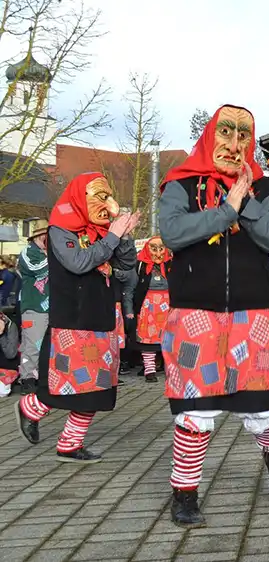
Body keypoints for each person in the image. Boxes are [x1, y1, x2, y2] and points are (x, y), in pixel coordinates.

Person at [157, 104, 269, 527]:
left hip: (253, 317)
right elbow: (172, 233)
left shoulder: (264, 188)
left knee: (260, 410)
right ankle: (185, 492)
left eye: (243, 135)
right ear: (209, 135)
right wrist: (224, 211)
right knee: (195, 412)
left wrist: (245, 202)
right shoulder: (180, 183)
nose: (234, 144)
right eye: (226, 132)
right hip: (195, 314)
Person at [14, 173, 138, 462]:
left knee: (97, 389)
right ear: (80, 197)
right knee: (66, 382)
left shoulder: (103, 231)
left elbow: (127, 264)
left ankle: (70, 444)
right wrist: (113, 236)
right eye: (101, 196)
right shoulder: (61, 229)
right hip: (73, 319)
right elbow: (78, 263)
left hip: (102, 316)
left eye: (109, 196)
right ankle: (31, 408)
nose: (108, 203)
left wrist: (124, 235)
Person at [130, 236, 172, 382]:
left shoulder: (171, 264)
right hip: (148, 306)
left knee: (169, 338)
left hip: (168, 305)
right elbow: (133, 286)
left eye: (161, 249)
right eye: (154, 249)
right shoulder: (140, 265)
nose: (158, 253)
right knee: (147, 338)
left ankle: (170, 369)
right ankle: (149, 370)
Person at [16, 226, 49, 396]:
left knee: (47, 346)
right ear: (37, 237)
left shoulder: (48, 253)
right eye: (45, 235)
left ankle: (42, 378)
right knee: (33, 344)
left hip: (51, 307)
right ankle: (27, 379)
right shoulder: (28, 252)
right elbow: (38, 269)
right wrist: (54, 256)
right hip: (34, 306)